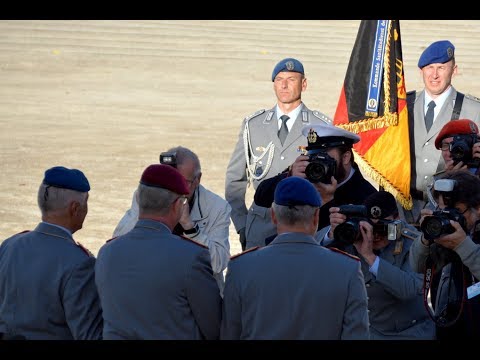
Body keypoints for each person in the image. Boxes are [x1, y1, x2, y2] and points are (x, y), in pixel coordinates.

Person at [220, 176, 369, 340]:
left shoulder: (241, 267)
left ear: (273, 216)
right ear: (316, 217)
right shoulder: (347, 269)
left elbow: (230, 333)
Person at [95, 164, 222, 340]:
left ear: (139, 201)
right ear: (178, 205)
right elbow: (215, 327)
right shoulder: (192, 257)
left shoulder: (106, 253)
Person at [225, 57, 332, 251]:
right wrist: (243, 226)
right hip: (261, 223)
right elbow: (234, 180)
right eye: (279, 79)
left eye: (291, 79)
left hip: (303, 223)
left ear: (304, 84)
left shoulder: (321, 126)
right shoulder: (254, 125)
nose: (284, 85)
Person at [0, 166, 103, 340]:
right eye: (86, 203)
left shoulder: (10, 245)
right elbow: (89, 334)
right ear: (75, 208)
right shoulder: (79, 263)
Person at [316, 191, 435, 340]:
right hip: (367, 330)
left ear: (397, 218)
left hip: (407, 332)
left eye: (382, 229)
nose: (375, 236)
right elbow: (313, 259)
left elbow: (409, 289)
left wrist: (369, 256)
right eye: (371, 228)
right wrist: (332, 234)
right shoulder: (356, 234)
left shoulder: (415, 242)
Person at [112, 146, 231, 295]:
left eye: (182, 181)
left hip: (198, 292)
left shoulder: (217, 207)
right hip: (155, 287)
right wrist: (147, 213)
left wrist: (190, 228)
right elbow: (118, 242)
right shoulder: (148, 194)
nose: (173, 188)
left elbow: (219, 263)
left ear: (197, 180)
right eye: (168, 180)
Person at [254, 123, 377, 246]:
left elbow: (347, 247)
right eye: (314, 156)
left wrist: (327, 200)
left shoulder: (367, 196)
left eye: (325, 157)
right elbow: (260, 198)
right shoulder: (307, 174)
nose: (318, 163)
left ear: (345, 157)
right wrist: (289, 176)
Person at [401, 40, 480, 226]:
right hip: (403, 207)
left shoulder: (474, 109)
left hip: (452, 207)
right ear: (421, 71)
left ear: (454, 70)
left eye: (441, 67)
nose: (434, 75)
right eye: (429, 67)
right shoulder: (403, 106)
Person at [410, 170, 480, 340]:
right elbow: (417, 266)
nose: (450, 218)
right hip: (449, 322)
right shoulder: (444, 232)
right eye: (443, 210)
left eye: (456, 210)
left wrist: (463, 245)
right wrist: (425, 238)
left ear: (477, 208)